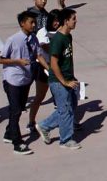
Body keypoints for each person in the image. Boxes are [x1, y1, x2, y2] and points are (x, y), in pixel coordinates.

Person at [36, 8, 82, 150]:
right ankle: (66, 140)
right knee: (65, 110)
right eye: (73, 19)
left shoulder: (68, 37)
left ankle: (44, 126)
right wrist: (64, 81)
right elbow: (54, 64)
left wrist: (71, 78)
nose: (76, 21)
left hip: (69, 78)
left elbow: (66, 61)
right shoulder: (57, 40)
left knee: (69, 107)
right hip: (58, 81)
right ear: (66, 21)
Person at [0, 11, 40, 155]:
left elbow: (38, 55)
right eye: (31, 22)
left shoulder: (33, 38)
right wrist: (17, 61)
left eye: (34, 22)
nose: (34, 25)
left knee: (18, 109)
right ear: (22, 23)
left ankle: (9, 133)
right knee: (15, 110)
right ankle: (18, 142)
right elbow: (1, 59)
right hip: (12, 80)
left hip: (26, 79)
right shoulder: (13, 39)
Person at [26, 0, 52, 128]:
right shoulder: (30, 14)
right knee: (32, 87)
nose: (43, 1)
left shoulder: (46, 14)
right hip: (35, 57)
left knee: (47, 93)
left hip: (45, 57)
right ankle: (31, 120)